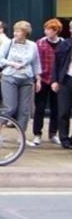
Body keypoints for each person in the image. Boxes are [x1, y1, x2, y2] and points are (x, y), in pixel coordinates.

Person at [0, 20, 41, 138]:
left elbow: (36, 62)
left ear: (25, 33)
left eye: (19, 31)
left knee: (24, 109)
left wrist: (38, 78)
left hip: (27, 78)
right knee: (10, 106)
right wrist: (11, 63)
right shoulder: (8, 43)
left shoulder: (32, 45)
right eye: (15, 31)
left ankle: (21, 136)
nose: (15, 33)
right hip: (10, 76)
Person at [34, 19, 62, 146]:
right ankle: (37, 134)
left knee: (56, 108)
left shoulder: (63, 44)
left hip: (56, 80)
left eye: (48, 29)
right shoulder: (39, 43)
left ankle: (53, 133)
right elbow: (36, 62)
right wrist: (38, 79)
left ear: (55, 31)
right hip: (43, 79)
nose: (45, 31)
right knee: (39, 107)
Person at [52, 19, 72, 149]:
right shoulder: (65, 45)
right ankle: (64, 139)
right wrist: (55, 80)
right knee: (63, 111)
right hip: (66, 80)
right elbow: (56, 64)